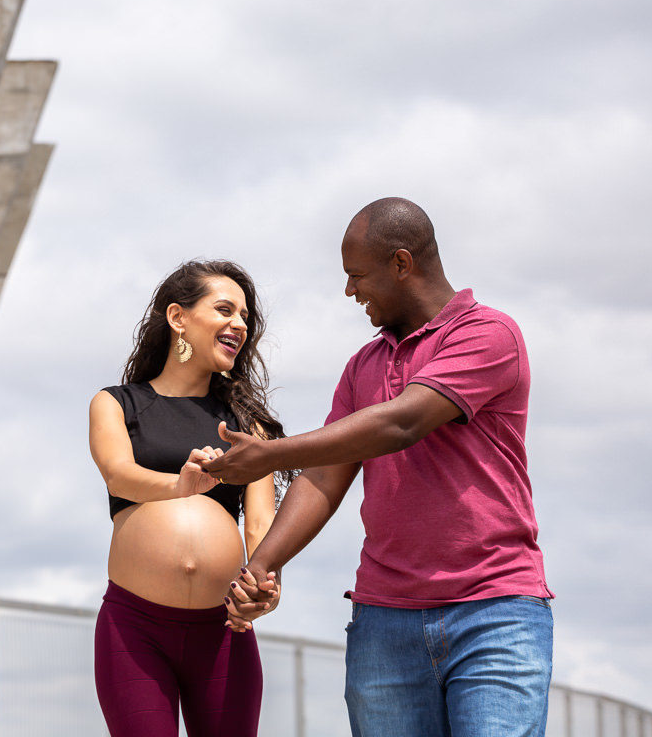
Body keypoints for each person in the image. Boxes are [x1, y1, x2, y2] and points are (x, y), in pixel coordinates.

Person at [206, 198, 554, 737]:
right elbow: (324, 476)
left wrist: (269, 454)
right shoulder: (362, 365)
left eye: (357, 275)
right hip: (383, 623)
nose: (350, 291)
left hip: (495, 612)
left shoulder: (488, 334)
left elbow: (403, 422)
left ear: (401, 263)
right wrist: (261, 567)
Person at [89, 259, 292, 737]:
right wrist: (178, 487)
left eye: (245, 316)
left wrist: (267, 585)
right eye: (225, 309)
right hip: (135, 628)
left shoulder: (248, 424)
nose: (239, 324)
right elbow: (120, 476)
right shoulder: (117, 403)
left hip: (225, 632)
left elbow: (260, 526)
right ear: (179, 318)